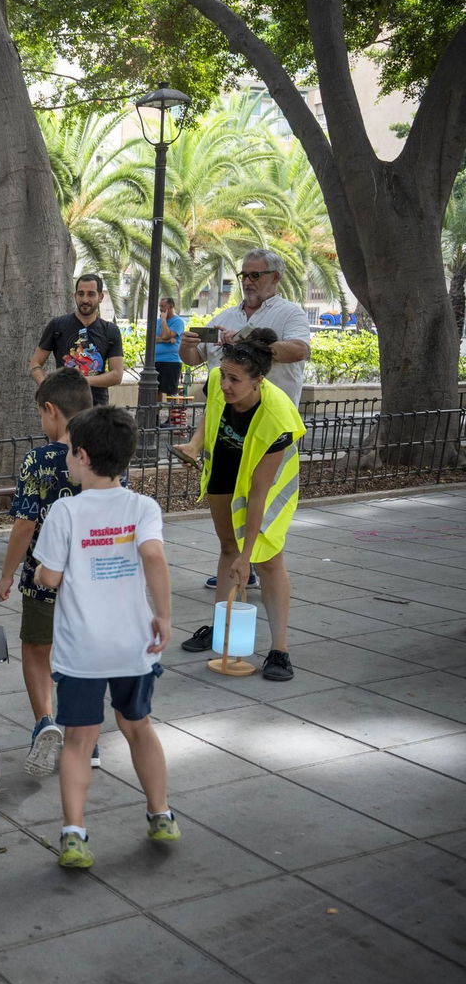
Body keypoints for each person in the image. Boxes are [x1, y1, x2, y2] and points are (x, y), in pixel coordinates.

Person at [32, 406, 177, 869]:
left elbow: (50, 578)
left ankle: (74, 833)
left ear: (82, 456)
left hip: (82, 650)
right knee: (139, 727)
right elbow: (152, 555)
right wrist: (164, 616)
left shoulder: (65, 511)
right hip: (133, 644)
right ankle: (161, 813)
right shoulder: (143, 507)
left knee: (79, 740)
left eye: (68, 452)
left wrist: (38, 572)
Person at [177, 330, 305, 682]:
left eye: (234, 380)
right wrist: (195, 444)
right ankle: (222, 630)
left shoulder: (278, 415)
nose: (225, 385)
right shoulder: (221, 383)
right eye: (223, 376)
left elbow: (259, 494)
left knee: (267, 560)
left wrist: (247, 557)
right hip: (225, 468)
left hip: (268, 484)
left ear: (258, 380)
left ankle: (279, 649)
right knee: (227, 548)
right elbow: (211, 410)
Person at [0, 369, 97, 777]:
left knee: (37, 648)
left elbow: (25, 524)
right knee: (80, 653)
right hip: (91, 576)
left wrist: (6, 575)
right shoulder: (103, 453)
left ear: (51, 410)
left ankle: (45, 722)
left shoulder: (39, 460)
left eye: (41, 414)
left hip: (43, 575)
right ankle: (85, 738)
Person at [172, 248, 311, 478]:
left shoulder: (290, 314)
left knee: (265, 495)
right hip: (224, 431)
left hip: (270, 428)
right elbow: (194, 358)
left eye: (255, 275)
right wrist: (185, 345)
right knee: (223, 493)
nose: (247, 282)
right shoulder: (224, 316)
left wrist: (246, 341)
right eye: (243, 275)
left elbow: (299, 350)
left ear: (275, 277)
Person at [29, 274, 126, 406]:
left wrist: (81, 381)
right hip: (62, 407)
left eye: (91, 294)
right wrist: (47, 388)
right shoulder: (58, 325)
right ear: (75, 296)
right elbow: (35, 363)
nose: (85, 299)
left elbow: (117, 375)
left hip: (97, 408)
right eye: (81, 294)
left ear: (100, 297)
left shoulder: (110, 330)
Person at [154, 297, 185, 398]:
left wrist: (163, 320)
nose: (161, 309)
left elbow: (165, 335)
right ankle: (156, 409)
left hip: (171, 360)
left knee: (170, 392)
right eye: (160, 306)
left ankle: (172, 409)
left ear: (171, 306)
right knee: (155, 391)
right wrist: (166, 340)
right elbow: (151, 338)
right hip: (156, 360)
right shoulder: (156, 322)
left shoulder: (178, 322)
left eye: (163, 306)